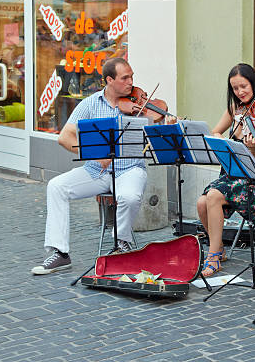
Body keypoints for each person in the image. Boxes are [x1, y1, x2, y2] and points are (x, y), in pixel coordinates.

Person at [31, 57, 167, 275]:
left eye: (132, 76)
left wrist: (165, 123)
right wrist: (94, 155)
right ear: (109, 80)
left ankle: (121, 243)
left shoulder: (139, 107)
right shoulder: (90, 104)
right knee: (56, 186)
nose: (131, 82)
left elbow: (156, 137)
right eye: (125, 78)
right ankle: (60, 253)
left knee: (129, 197)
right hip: (98, 170)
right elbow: (64, 137)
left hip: (130, 168)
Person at [198, 63, 255, 277]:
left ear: (254, 84)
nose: (240, 92)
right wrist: (225, 140)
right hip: (234, 173)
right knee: (202, 203)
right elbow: (215, 132)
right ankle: (220, 248)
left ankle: (213, 255)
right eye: (235, 88)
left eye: (243, 86)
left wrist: (252, 147)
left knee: (214, 196)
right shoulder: (235, 109)